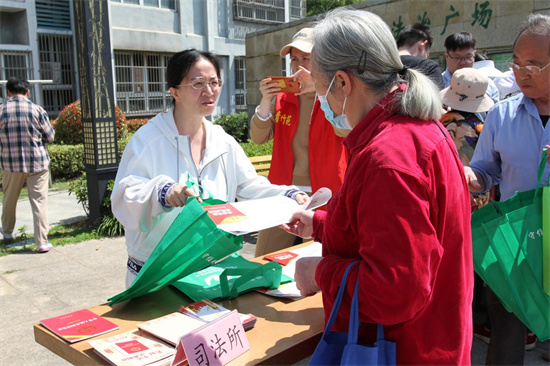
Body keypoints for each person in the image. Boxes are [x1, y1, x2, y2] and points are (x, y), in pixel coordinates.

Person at [281, 8, 473, 365]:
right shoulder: (414, 130)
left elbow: (393, 292)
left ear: (342, 82)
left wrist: (320, 273)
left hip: (404, 349)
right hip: (436, 339)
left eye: (320, 89)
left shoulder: (388, 156)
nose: (321, 102)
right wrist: (322, 225)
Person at [111, 49, 307, 288]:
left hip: (209, 269)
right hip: (158, 272)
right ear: (175, 92)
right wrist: (164, 193)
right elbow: (125, 197)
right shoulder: (148, 139)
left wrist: (286, 195)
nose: (209, 91)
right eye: (198, 83)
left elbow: (248, 186)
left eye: (214, 82)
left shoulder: (222, 141)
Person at [464, 13, 550, 365]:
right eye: (516, 62)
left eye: (534, 64)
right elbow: (485, 171)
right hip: (515, 246)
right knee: (506, 337)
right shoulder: (501, 115)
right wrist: (470, 177)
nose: (521, 71)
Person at [250, 28, 347, 256]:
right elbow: (258, 137)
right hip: (284, 192)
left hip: (326, 192)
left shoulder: (337, 94)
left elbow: (346, 132)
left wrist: (321, 91)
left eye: (306, 58)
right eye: (294, 59)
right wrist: (266, 100)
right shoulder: (284, 96)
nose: (298, 65)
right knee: (267, 258)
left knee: (322, 262)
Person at [0, 77, 55, 253]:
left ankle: (7, 234)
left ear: (8, 92)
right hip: (37, 163)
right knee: (39, 201)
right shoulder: (37, 110)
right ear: (28, 92)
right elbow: (50, 136)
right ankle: (42, 242)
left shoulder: (1, 110)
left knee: (9, 199)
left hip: (10, 163)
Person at [442, 32, 500, 104]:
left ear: (474, 54)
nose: (463, 62)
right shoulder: (438, 82)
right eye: (457, 57)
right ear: (447, 56)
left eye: (468, 57)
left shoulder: (487, 84)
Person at [396, 23, 445, 89]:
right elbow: (437, 98)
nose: (426, 57)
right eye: (427, 54)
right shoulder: (429, 67)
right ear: (422, 45)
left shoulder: (381, 65)